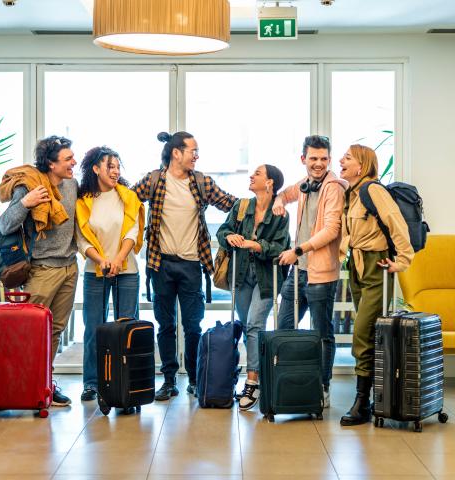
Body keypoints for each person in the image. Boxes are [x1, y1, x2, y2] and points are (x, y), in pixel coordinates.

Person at [133, 131, 237, 401]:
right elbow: (128, 201)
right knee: (165, 325)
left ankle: (194, 377)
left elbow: (230, 203)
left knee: (193, 326)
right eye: (193, 150)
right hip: (160, 264)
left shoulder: (201, 182)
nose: (197, 156)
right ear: (176, 152)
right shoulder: (154, 180)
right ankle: (168, 380)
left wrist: (266, 204)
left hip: (192, 265)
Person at [0, 135, 78, 406]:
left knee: (54, 331)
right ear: (51, 164)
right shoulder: (30, 186)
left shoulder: (72, 185)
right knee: (31, 332)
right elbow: (4, 226)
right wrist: (25, 203)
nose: (73, 163)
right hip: (42, 270)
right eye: (68, 159)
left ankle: (44, 384)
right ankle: (20, 387)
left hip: (69, 268)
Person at [339, 144, 414, 426]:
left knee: (361, 332)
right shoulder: (353, 194)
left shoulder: (374, 191)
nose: (341, 161)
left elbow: (396, 224)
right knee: (368, 332)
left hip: (377, 266)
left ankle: (361, 402)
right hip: (358, 267)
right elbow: (351, 233)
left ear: (362, 165)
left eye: (348, 158)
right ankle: (370, 400)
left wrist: (402, 260)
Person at [273, 135, 347, 408]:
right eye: (313, 158)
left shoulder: (334, 188)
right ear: (303, 159)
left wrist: (298, 251)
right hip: (299, 272)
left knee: (322, 333)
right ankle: (287, 381)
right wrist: (280, 200)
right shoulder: (305, 184)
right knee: (284, 327)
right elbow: (286, 193)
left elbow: (331, 230)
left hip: (320, 274)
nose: (319, 164)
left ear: (329, 159)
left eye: (324, 159)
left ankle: (322, 387)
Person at [217, 165, 290, 411]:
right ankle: (262, 375)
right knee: (250, 328)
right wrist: (229, 237)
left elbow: (281, 247)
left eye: (257, 174)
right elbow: (222, 231)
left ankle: (252, 382)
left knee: (255, 324)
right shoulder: (241, 207)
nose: (251, 176)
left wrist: (256, 245)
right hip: (241, 276)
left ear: (270, 182)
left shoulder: (280, 213)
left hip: (267, 278)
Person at [76, 146, 145, 402]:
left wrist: (117, 259)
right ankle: (92, 383)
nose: (115, 171)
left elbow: (132, 232)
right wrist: (102, 260)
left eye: (118, 167)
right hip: (96, 271)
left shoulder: (127, 196)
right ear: (96, 169)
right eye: (110, 166)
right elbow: (82, 239)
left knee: (127, 326)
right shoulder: (83, 201)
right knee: (94, 328)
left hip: (126, 270)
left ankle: (127, 380)